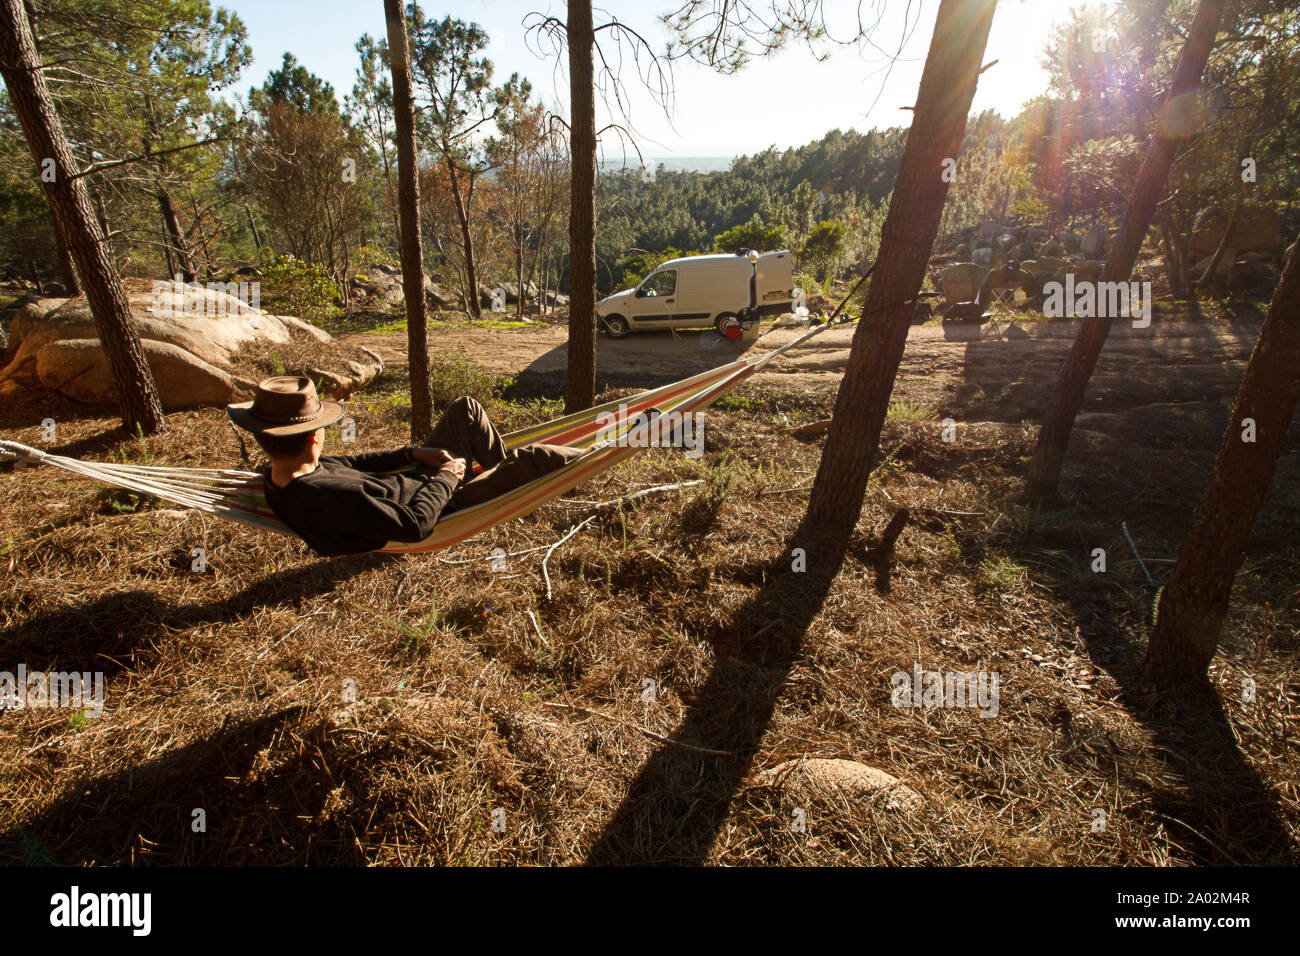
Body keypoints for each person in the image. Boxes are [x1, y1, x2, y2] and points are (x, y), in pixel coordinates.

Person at [227, 376, 584, 556]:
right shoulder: (329, 495)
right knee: (535, 457)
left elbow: (355, 461)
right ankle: (603, 450)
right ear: (313, 437)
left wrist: (413, 454)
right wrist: (447, 478)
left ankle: (504, 482)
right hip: (443, 508)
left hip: (421, 477)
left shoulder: (287, 472)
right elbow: (414, 527)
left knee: (465, 409)